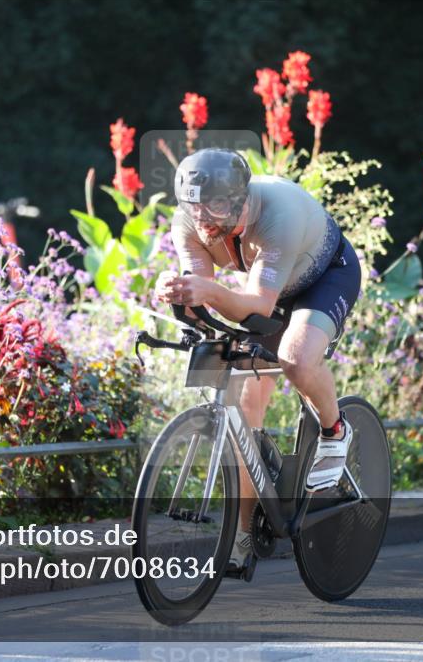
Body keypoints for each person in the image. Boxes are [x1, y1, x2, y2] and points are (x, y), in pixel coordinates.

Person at [153, 148, 363, 576]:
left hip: (322, 279)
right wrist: (180, 292)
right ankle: (244, 532)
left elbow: (258, 306)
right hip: (264, 290)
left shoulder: (276, 213)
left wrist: (207, 293)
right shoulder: (189, 223)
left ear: (239, 197)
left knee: (296, 358)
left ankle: (335, 429)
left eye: (213, 205)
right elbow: (204, 291)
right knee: (244, 409)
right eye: (193, 207)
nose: (203, 218)